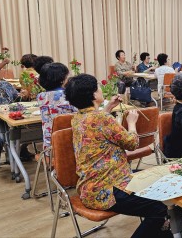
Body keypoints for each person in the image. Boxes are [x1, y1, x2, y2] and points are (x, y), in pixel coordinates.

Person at [64, 74, 170, 238]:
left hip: (89, 187)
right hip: (108, 190)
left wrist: (108, 108)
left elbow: (96, 123)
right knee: (159, 209)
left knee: (154, 181)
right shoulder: (102, 119)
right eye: (97, 86)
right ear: (93, 95)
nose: (100, 89)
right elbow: (132, 143)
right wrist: (132, 123)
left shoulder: (78, 118)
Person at [37, 63, 76, 151]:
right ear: (62, 79)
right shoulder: (69, 95)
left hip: (50, 146)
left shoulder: (40, 96)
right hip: (71, 144)